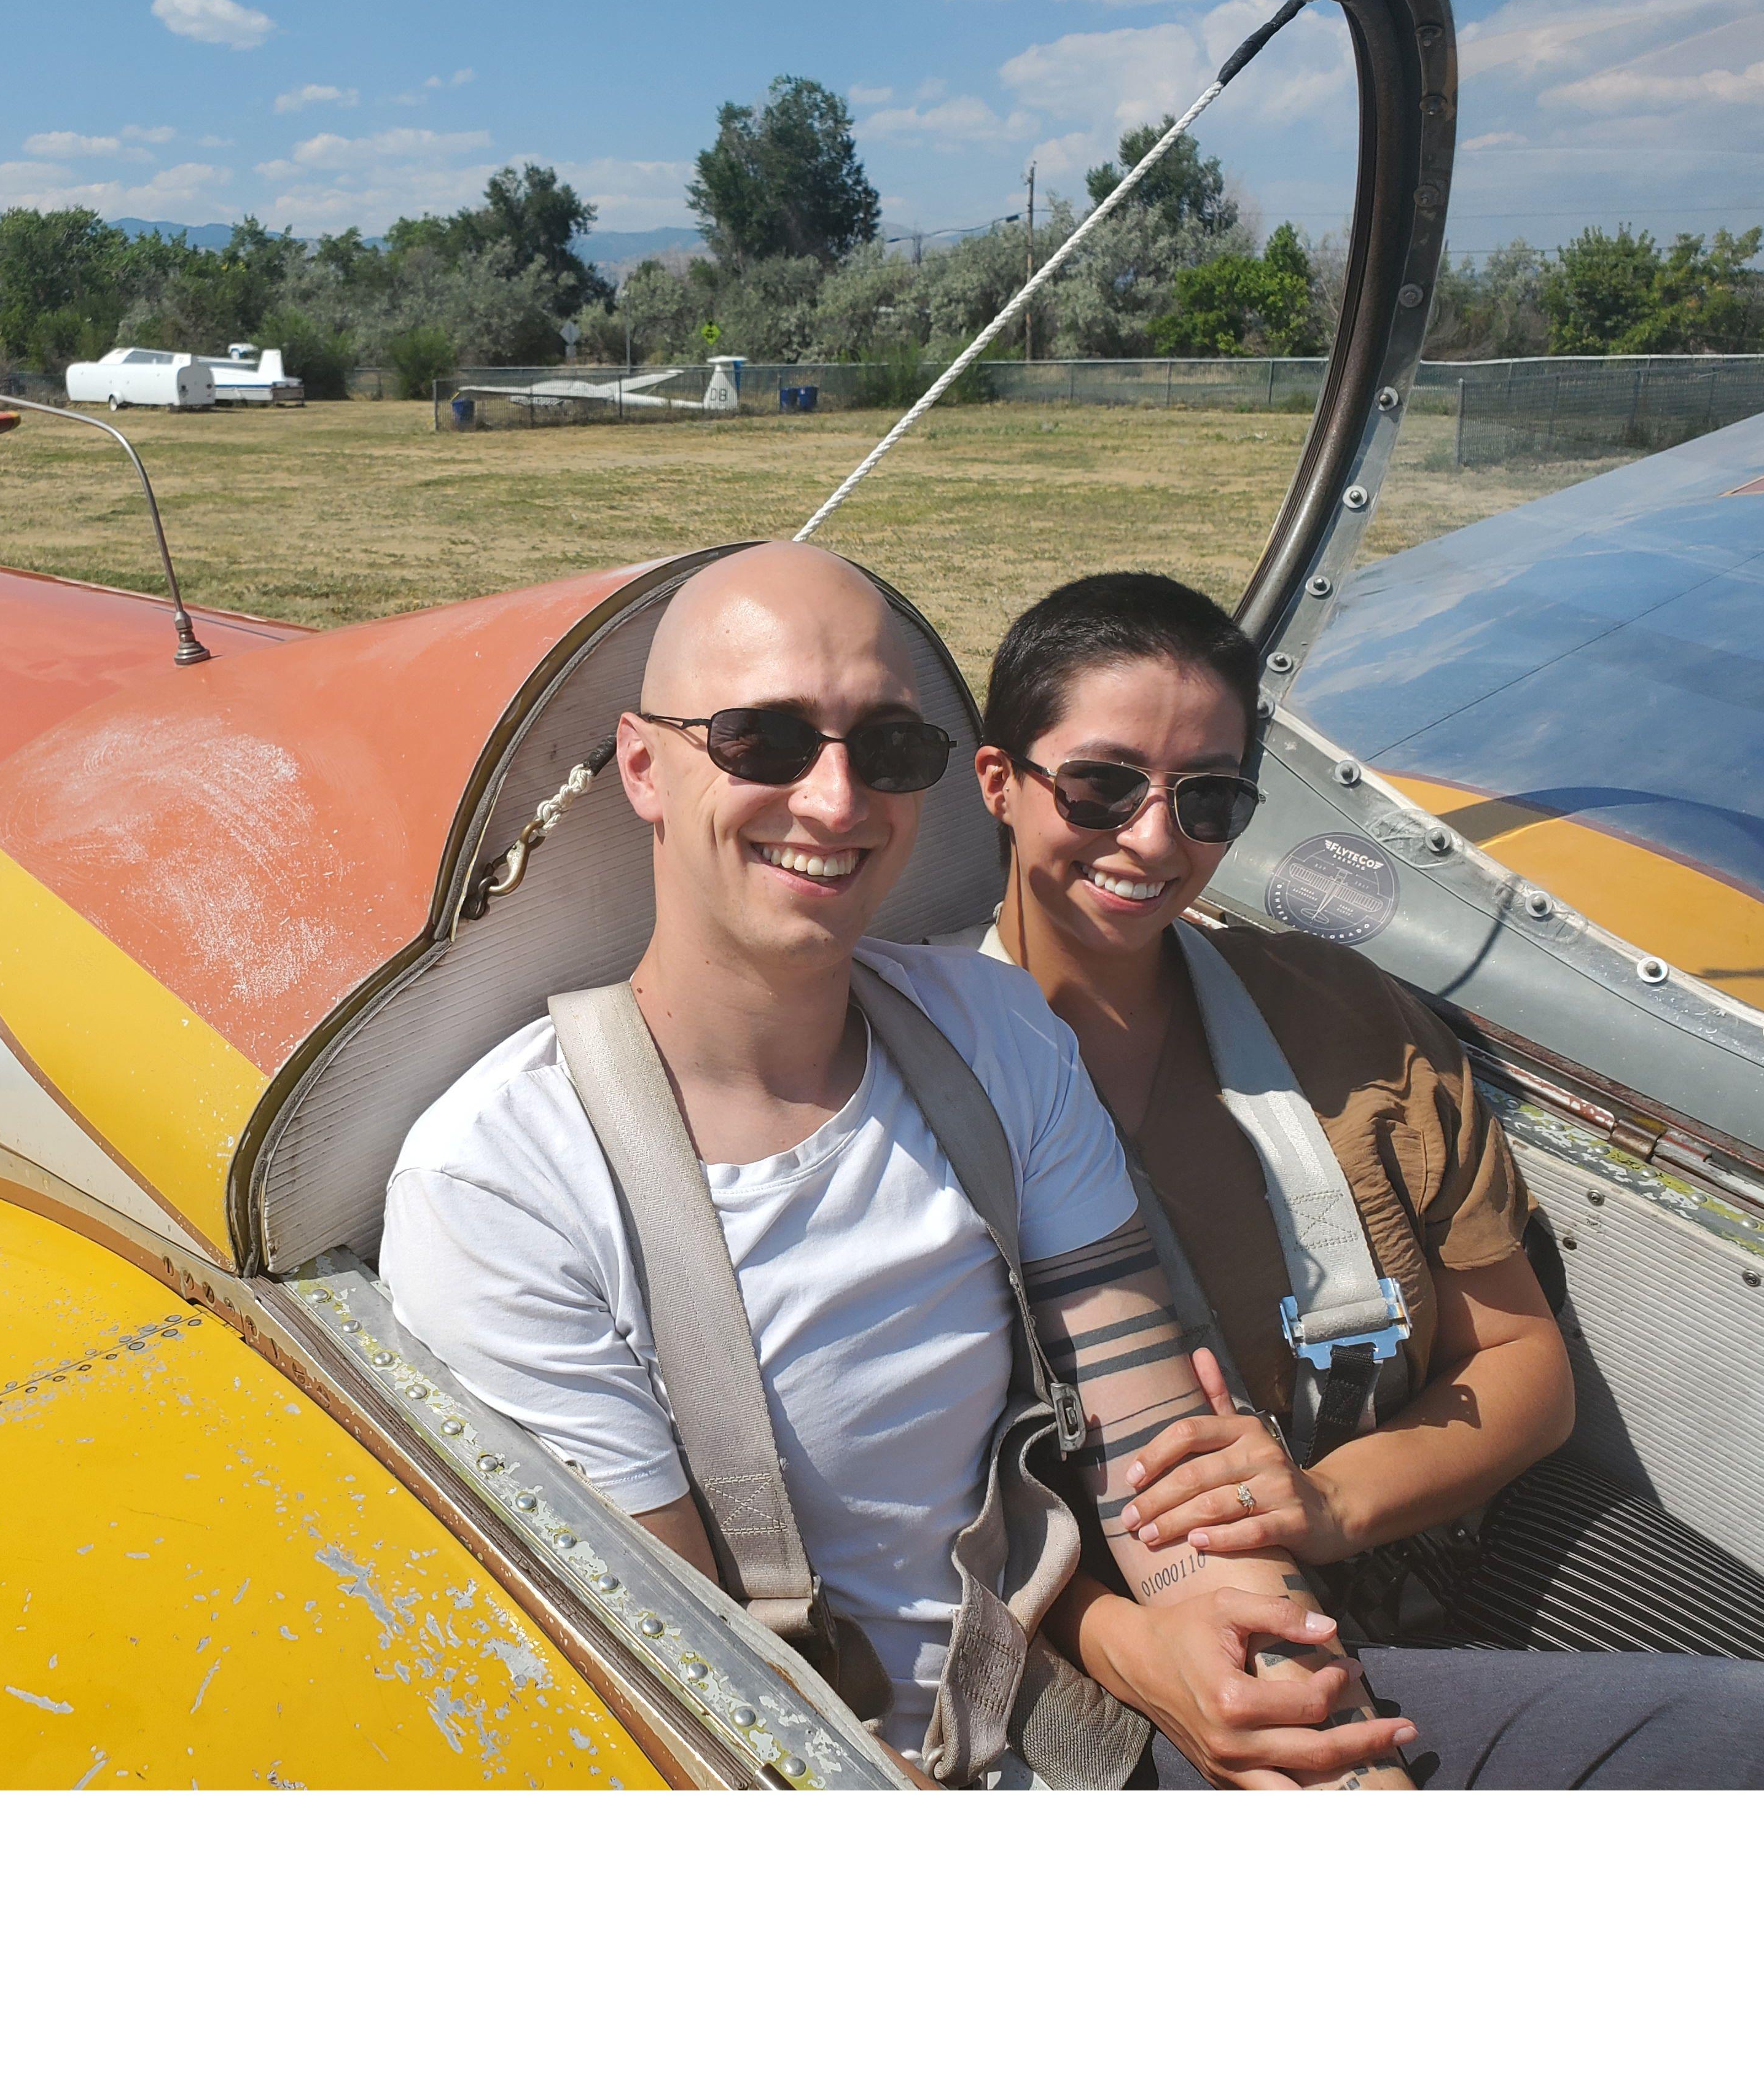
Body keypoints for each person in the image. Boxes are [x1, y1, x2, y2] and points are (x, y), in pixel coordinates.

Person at [379, 542, 1416, 1784]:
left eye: (886, 751)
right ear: (644, 767)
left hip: (1085, 1716)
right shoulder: (502, 1188)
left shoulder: (995, 1033)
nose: (834, 801)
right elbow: (686, 1687)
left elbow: (1146, 1426)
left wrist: (1288, 1708)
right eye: (763, 740)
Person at [963, 568, 1764, 1787]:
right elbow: (921, 1512)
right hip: (1143, 1612)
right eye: (1101, 784)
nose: (1154, 838)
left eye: (1210, 798)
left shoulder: (1349, 1020)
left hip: (1435, 1531)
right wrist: (1115, 1636)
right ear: (998, 786)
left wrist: (1326, 1503)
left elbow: (1521, 1367)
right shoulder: (920, 1095)